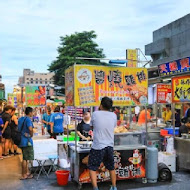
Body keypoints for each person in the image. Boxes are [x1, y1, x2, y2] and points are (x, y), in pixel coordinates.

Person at [88, 97, 117, 190]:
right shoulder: (113, 115)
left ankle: (95, 188)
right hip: (109, 145)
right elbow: (113, 126)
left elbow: (91, 126)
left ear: (100, 105)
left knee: (92, 167)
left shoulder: (95, 114)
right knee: (111, 167)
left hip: (98, 146)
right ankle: (114, 187)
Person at [18, 107, 34, 180]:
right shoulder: (28, 120)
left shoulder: (21, 119)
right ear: (30, 112)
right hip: (27, 141)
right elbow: (30, 129)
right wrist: (31, 134)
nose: (33, 113)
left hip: (21, 140)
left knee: (25, 157)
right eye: (32, 112)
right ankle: (24, 175)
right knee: (25, 158)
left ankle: (26, 173)